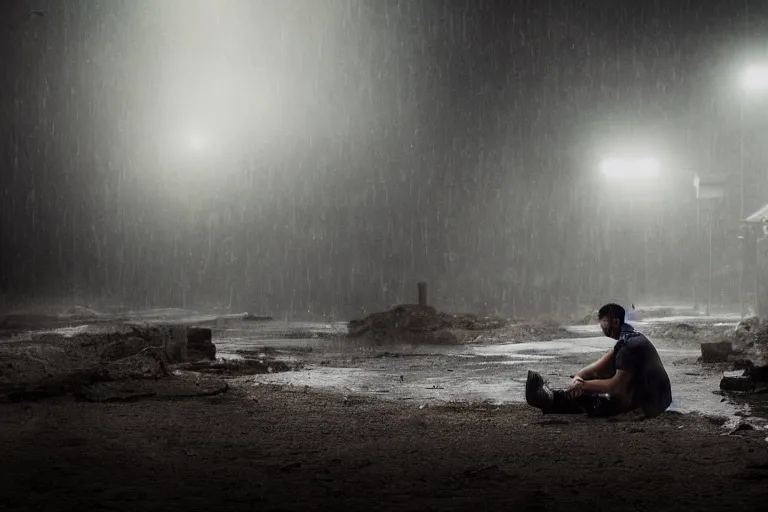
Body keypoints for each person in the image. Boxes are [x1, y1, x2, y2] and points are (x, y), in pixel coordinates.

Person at [525, 303, 672, 418]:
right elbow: (601, 365)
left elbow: (616, 386)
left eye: (604, 322)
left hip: (651, 404)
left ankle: (552, 401)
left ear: (615, 322)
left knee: (593, 399)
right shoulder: (628, 336)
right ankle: (556, 398)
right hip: (658, 398)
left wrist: (583, 386)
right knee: (591, 385)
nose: (601, 327)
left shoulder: (629, 347)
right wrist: (580, 377)